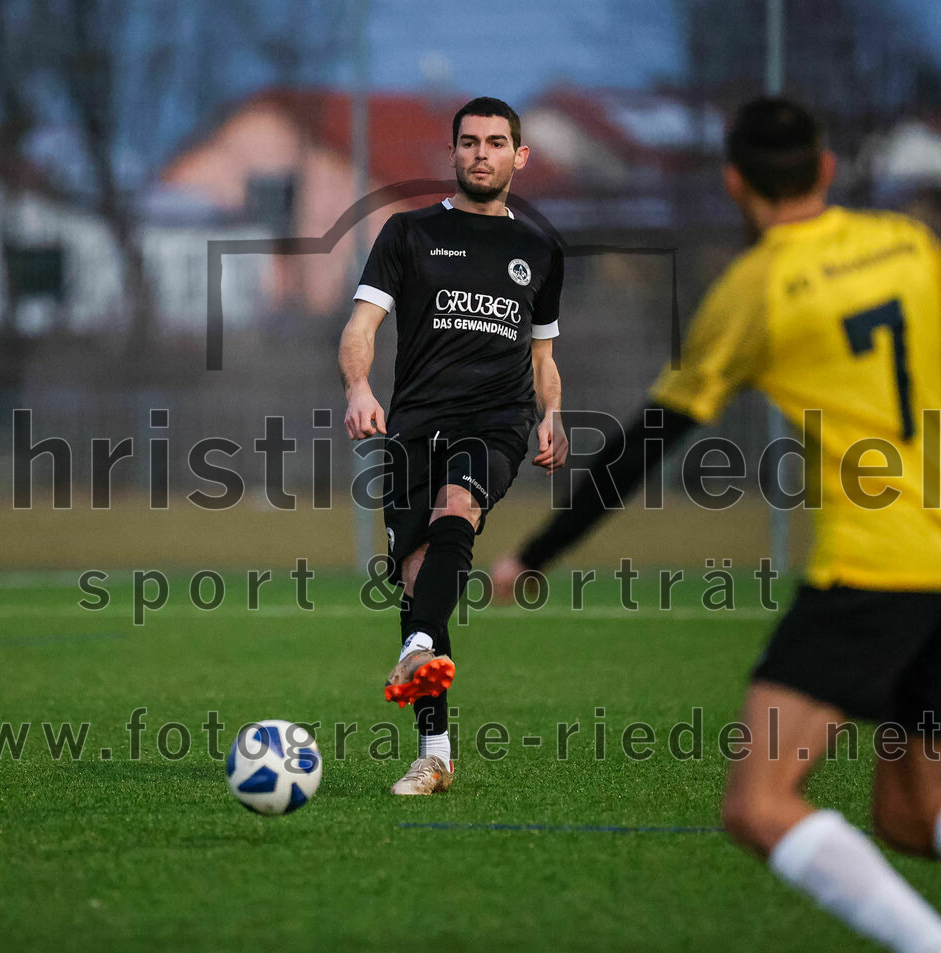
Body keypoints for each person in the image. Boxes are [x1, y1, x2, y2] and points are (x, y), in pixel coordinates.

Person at [493, 97, 941, 951]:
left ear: (736, 182)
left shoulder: (757, 288)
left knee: (759, 803)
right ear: (827, 169)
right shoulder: (911, 246)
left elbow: (648, 443)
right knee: (913, 815)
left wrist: (538, 552)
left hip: (877, 569)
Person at [339, 96, 568, 795]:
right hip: (412, 422)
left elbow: (543, 353)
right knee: (417, 579)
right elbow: (361, 325)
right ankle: (434, 752)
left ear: (517, 157)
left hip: (496, 420)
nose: (481, 153)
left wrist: (552, 411)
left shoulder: (538, 249)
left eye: (496, 142)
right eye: (469, 142)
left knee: (456, 509)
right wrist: (358, 387)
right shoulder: (407, 233)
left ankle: (416, 649)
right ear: (453, 151)